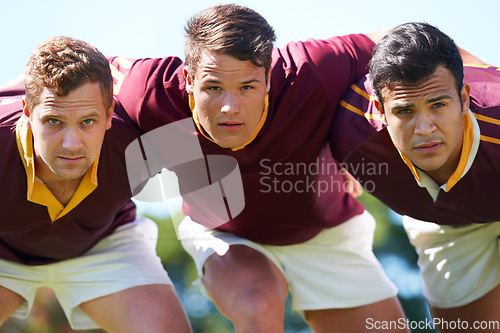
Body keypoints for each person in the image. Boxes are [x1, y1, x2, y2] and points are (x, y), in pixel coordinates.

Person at [110, 4, 408, 332]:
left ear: (268, 78)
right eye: (213, 87)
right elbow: (77, 69)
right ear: (189, 79)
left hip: (324, 233)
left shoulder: (313, 69)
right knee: (257, 303)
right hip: (225, 233)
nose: (229, 107)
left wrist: (350, 138)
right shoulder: (149, 91)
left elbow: (407, 42)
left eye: (247, 87)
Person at [0, 36, 191, 332]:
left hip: (103, 245)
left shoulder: (141, 131)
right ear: (27, 110)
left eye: (88, 121)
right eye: (53, 121)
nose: (72, 144)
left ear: (108, 114)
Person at [331, 22, 500, 332]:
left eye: (438, 105)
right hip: (446, 221)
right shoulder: (348, 132)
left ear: (464, 98)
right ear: (381, 112)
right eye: (405, 111)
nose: (424, 129)